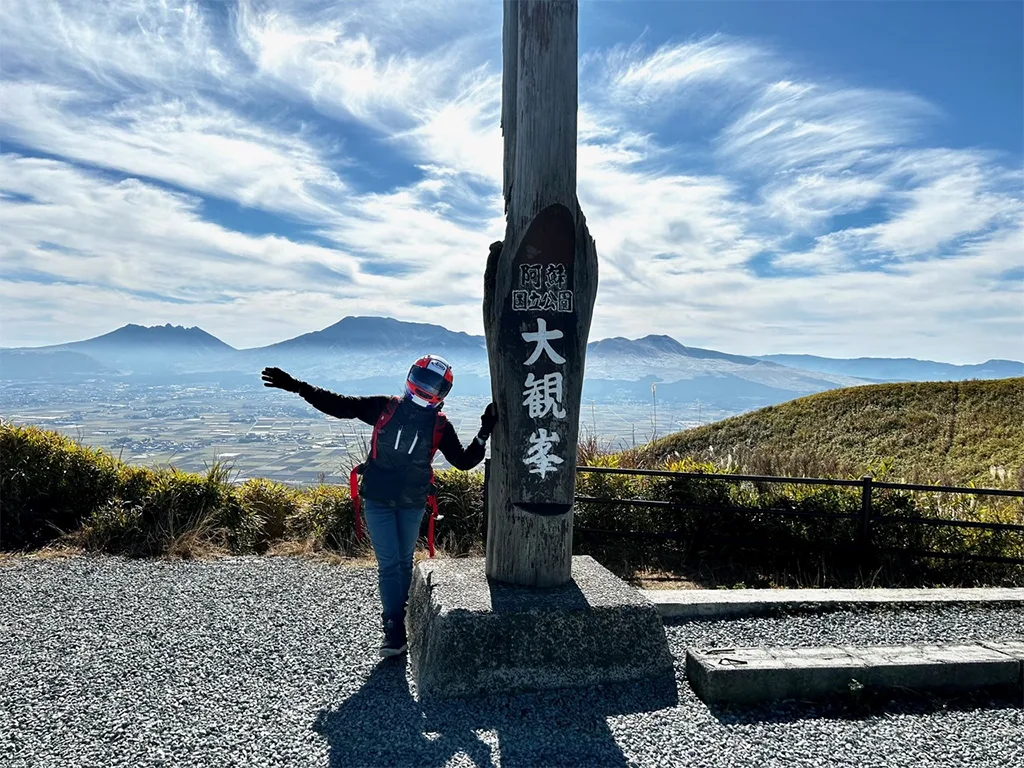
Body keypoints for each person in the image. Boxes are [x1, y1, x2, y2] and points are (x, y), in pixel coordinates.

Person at [260, 355, 496, 657]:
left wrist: (483, 432)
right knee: (390, 565)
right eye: (423, 381)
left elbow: (463, 461)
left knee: (401, 562)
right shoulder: (388, 407)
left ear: (442, 391)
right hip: (383, 502)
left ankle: (401, 619)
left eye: (431, 385)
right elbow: (341, 404)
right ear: (412, 378)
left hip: (408, 503)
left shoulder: (436, 424)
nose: (425, 389)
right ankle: (395, 628)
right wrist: (298, 387)